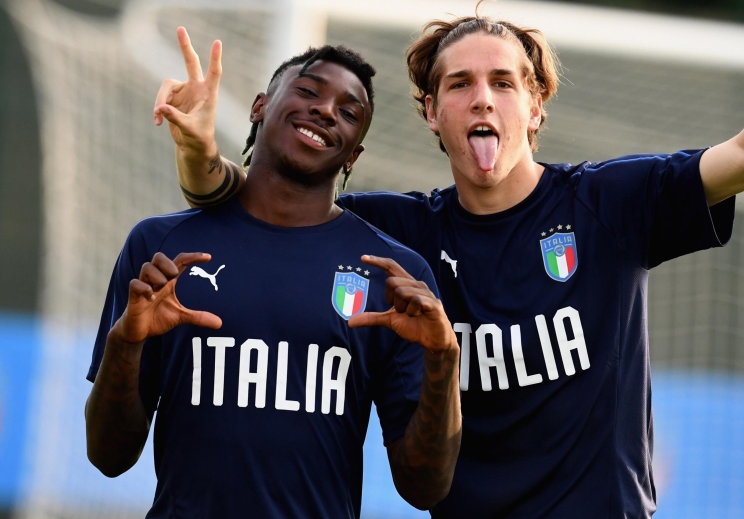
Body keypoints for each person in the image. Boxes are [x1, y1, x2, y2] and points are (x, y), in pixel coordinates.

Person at [157, 0, 744, 516]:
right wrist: (198, 153)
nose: (482, 98)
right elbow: (251, 208)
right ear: (433, 113)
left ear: (535, 107)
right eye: (459, 84)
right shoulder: (395, 236)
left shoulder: (609, 204)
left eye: (504, 82)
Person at [86, 28, 462, 519]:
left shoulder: (393, 276)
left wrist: (443, 361)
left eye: (349, 112)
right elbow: (108, 457)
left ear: (353, 155)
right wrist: (126, 343)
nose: (326, 110)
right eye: (308, 92)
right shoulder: (160, 248)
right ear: (259, 106)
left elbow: (424, 489)